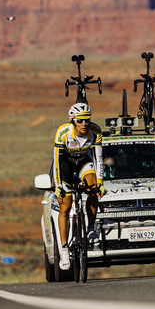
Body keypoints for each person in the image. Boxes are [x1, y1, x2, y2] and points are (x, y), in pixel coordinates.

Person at [53, 103, 106, 270]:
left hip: (83, 162)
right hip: (66, 166)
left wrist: (100, 183)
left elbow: (99, 160)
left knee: (92, 186)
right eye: (80, 121)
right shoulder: (63, 133)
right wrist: (58, 185)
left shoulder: (95, 132)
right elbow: (57, 161)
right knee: (65, 207)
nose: (84, 124)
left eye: (87, 120)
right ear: (72, 121)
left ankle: (90, 227)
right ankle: (63, 250)